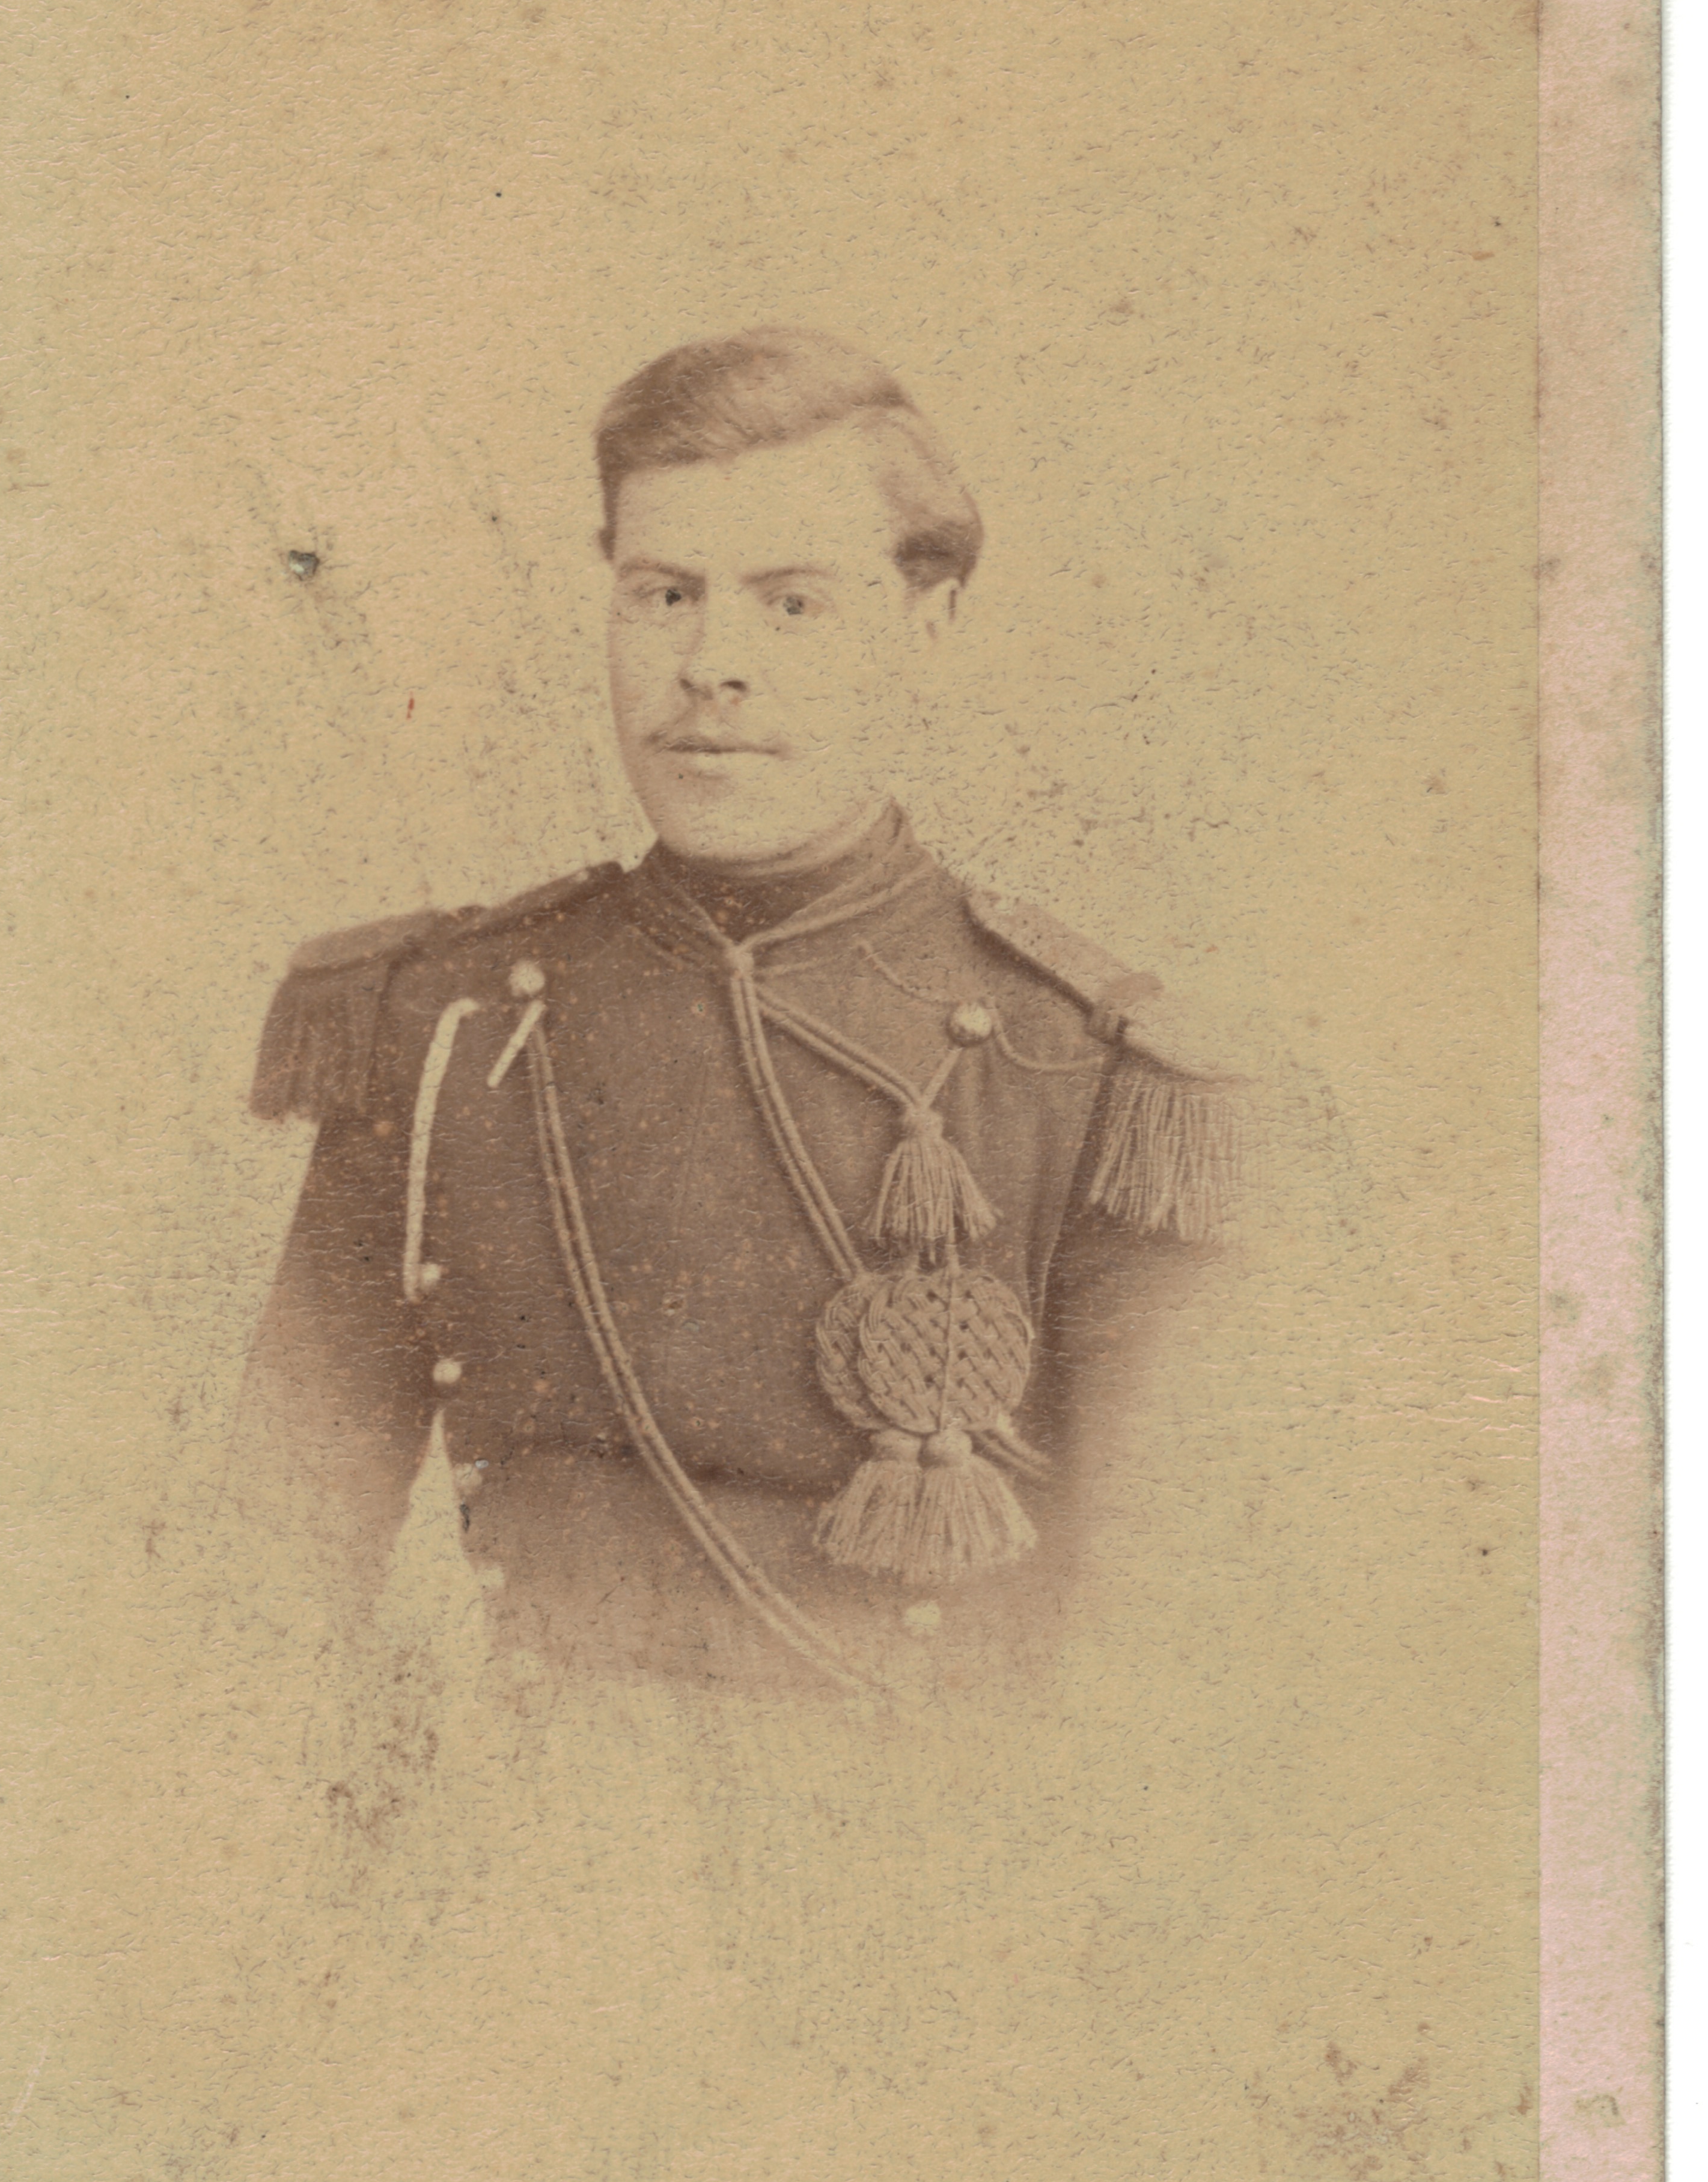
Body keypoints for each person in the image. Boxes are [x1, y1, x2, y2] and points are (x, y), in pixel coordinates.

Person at [232, 329, 1257, 1702]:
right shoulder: (436, 1024)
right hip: (538, 1864)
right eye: (663, 595)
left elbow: (1176, 1664)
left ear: (926, 624)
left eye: (792, 606)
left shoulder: (1102, 1076)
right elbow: (257, 1592)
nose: (711, 665)